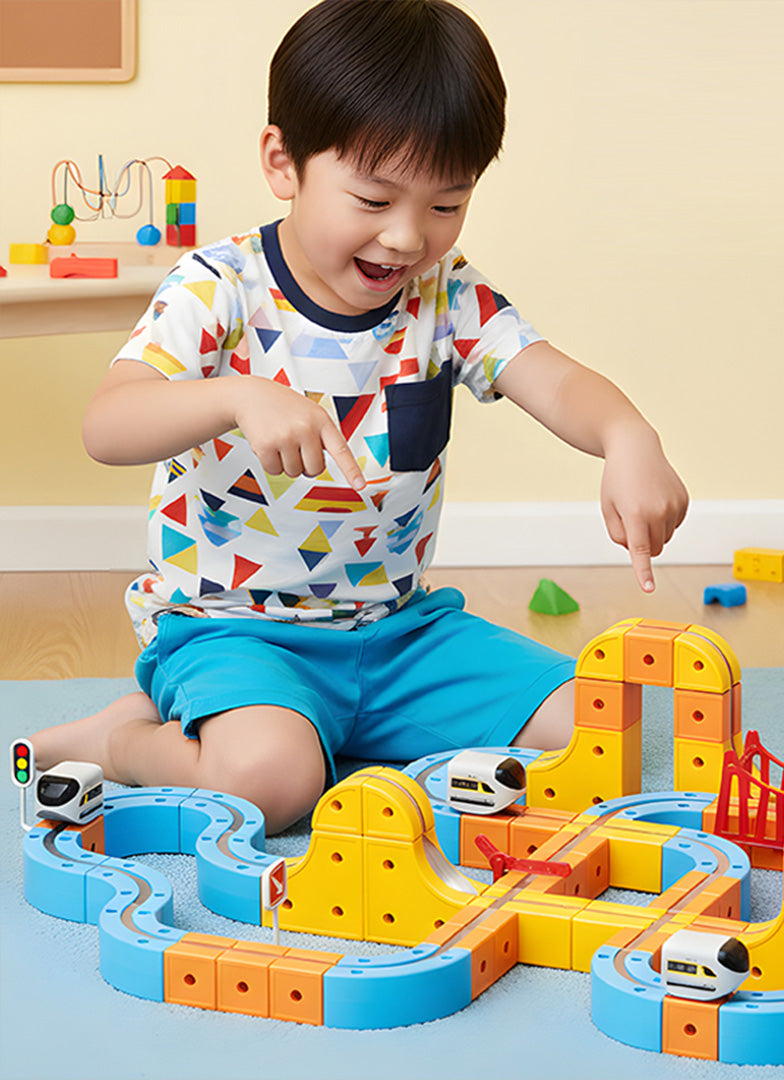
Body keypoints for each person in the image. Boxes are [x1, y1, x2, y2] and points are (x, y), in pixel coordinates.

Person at [31, 0, 688, 834]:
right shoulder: (218, 288)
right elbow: (108, 424)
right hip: (235, 636)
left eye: (447, 205)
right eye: (374, 201)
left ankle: (345, 734)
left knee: (604, 734)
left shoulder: (447, 296)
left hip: (401, 634)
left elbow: (554, 381)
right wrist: (235, 395)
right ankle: (128, 737)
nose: (410, 237)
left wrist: (628, 436)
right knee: (269, 785)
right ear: (283, 161)